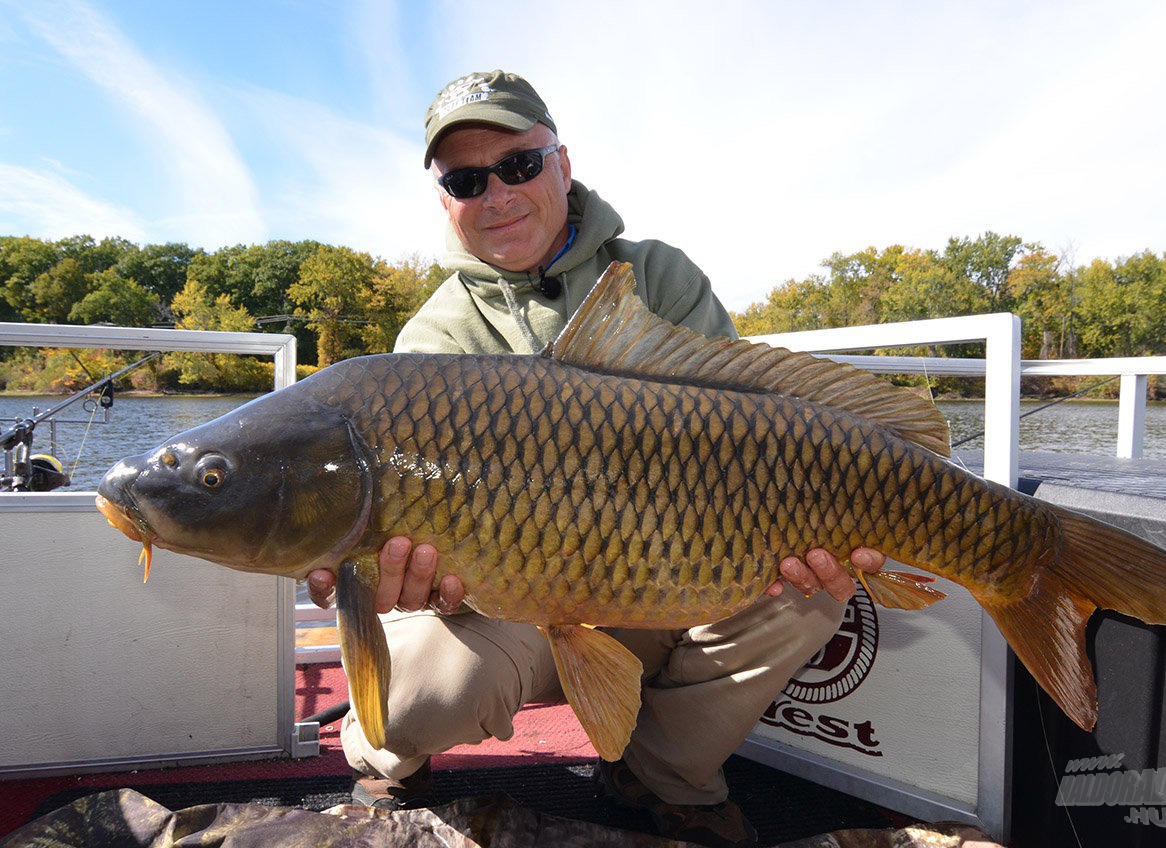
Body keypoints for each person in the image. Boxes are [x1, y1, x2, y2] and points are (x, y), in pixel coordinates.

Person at [306, 70, 887, 848]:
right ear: (445, 200)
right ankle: (386, 754)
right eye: (468, 180)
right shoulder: (430, 344)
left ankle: (661, 775)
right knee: (421, 691)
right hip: (514, 602)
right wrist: (397, 582)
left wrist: (806, 524)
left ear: (562, 164)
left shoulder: (658, 278)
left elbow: (753, 432)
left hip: (671, 570)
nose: (498, 195)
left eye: (518, 165)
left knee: (811, 594)